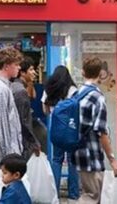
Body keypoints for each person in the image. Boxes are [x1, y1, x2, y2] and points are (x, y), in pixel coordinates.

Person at [74, 57, 117, 204]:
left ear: (83, 72)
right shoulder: (97, 97)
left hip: (77, 150)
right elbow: (101, 132)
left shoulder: (77, 93)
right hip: (91, 153)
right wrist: (112, 160)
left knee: (88, 193)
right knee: (92, 196)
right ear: (101, 74)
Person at [42, 65, 79, 202]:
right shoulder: (73, 90)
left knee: (57, 160)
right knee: (72, 161)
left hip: (55, 128)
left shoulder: (48, 89)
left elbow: (45, 111)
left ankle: (54, 194)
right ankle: (73, 194)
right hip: (71, 128)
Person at [11, 57, 41, 159]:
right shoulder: (20, 91)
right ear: (22, 73)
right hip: (22, 142)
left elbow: (33, 96)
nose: (34, 73)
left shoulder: (15, 87)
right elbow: (23, 121)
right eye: (31, 69)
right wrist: (34, 142)